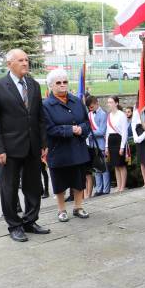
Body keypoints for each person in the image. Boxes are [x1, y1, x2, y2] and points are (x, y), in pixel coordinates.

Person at [0, 48, 49, 242]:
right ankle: (14, 225)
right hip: (9, 149)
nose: (25, 63)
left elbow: (39, 117)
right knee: (9, 188)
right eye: (20, 60)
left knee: (33, 186)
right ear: (9, 64)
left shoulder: (33, 85)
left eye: (27, 60)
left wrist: (43, 143)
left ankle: (30, 221)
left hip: (32, 146)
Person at [42, 69, 91, 222]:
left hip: (77, 148)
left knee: (78, 180)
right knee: (60, 182)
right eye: (58, 83)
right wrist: (70, 130)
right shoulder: (45, 105)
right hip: (59, 150)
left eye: (65, 82)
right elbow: (48, 128)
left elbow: (87, 122)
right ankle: (61, 209)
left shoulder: (76, 100)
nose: (63, 85)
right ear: (51, 85)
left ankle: (78, 207)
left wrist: (82, 129)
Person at [87, 95, 110, 196]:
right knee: (96, 168)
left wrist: (90, 133)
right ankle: (99, 189)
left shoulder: (103, 114)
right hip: (92, 145)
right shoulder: (89, 114)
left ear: (96, 103)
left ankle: (105, 189)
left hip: (100, 144)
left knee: (103, 168)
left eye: (91, 107)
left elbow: (102, 131)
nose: (90, 109)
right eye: (89, 107)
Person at [106, 96, 129, 192]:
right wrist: (106, 146)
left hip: (119, 140)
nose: (109, 104)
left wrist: (122, 147)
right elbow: (107, 131)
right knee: (115, 164)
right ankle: (118, 186)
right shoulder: (109, 115)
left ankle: (122, 186)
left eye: (111, 102)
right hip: (111, 140)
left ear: (116, 103)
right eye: (108, 102)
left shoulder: (121, 115)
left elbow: (124, 132)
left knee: (121, 164)